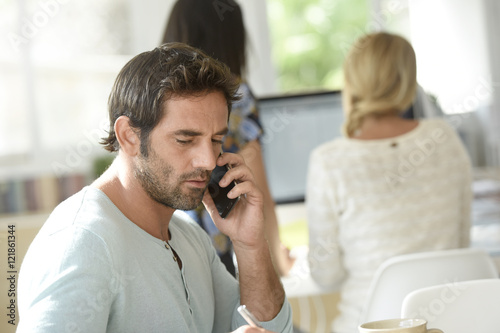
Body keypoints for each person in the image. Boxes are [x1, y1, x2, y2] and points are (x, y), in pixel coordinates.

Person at [17, 42, 293, 333]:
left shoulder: (189, 237)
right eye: (185, 140)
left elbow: (270, 328)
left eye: (215, 140)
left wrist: (249, 244)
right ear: (129, 136)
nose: (209, 160)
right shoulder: (81, 243)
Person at [305, 32, 472, 333]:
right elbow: (460, 244)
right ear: (409, 82)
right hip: (447, 325)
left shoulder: (329, 161)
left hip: (368, 326)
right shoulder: (444, 138)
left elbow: (325, 275)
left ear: (352, 82)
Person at [162, 0, 294, 277]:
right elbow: (257, 191)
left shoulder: (156, 98)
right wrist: (277, 262)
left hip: (165, 243)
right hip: (213, 247)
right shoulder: (237, 96)